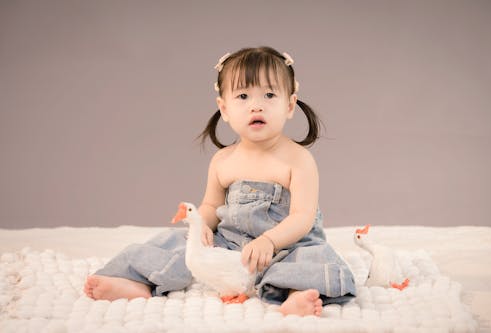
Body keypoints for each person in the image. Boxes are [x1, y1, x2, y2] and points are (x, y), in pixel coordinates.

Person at [84, 46, 356, 317]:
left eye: (269, 94)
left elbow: (302, 217)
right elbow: (211, 204)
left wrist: (269, 242)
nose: (256, 105)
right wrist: (202, 225)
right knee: (176, 243)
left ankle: (295, 296)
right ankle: (138, 282)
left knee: (314, 259)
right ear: (224, 108)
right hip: (229, 245)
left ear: (290, 105)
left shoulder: (298, 160)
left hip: (284, 247)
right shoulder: (224, 160)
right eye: (243, 96)